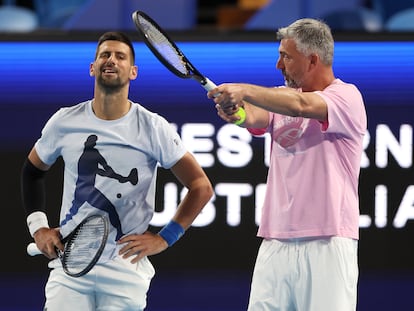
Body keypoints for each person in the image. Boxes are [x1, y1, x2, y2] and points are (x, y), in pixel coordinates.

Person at [21, 31, 214, 311]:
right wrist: (38, 228)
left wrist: (165, 238)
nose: (111, 60)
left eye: (120, 56)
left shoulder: (153, 127)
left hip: (126, 268)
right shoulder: (64, 121)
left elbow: (201, 186)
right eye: (104, 55)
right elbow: (32, 171)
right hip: (71, 264)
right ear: (93, 67)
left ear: (132, 72)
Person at [208, 18, 366, 311]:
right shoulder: (282, 98)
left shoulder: (347, 97)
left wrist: (243, 90)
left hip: (328, 243)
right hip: (275, 242)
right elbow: (254, 116)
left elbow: (302, 106)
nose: (278, 66)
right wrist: (237, 112)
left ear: (312, 60)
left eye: (286, 57)